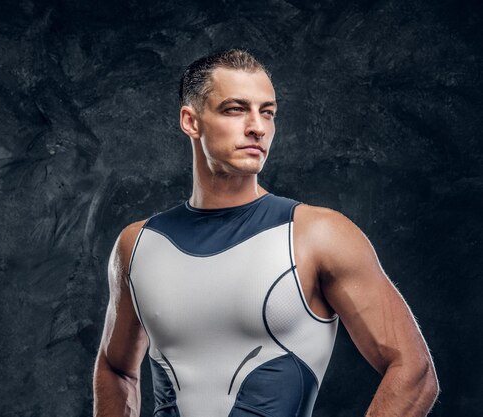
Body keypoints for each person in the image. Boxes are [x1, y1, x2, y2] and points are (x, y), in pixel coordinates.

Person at [93, 48, 439, 417]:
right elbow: (116, 369)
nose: (258, 126)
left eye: (268, 112)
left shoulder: (317, 236)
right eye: (235, 109)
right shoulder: (138, 245)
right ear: (191, 121)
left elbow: (414, 372)